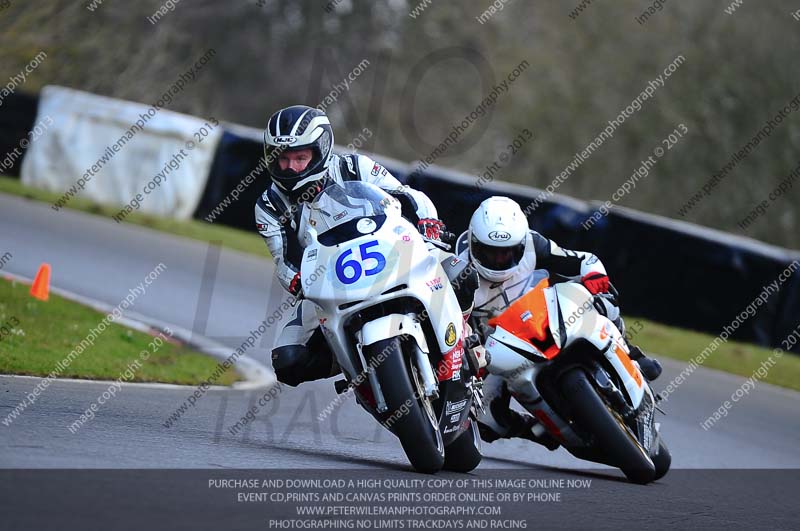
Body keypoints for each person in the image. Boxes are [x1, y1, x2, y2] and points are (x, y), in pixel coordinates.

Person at [255, 105, 480, 387]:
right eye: (282, 159)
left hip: (392, 251)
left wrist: (427, 222)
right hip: (328, 280)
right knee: (288, 361)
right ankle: (359, 366)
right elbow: (284, 259)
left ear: (320, 150)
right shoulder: (268, 205)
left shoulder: (353, 167)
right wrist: (299, 281)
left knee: (461, 274)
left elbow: (406, 195)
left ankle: (462, 335)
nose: (290, 167)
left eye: (300, 157)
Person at [455, 195, 662, 447]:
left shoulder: (533, 244)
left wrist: (596, 280)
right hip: (499, 349)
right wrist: (470, 353)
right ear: (475, 245)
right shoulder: (458, 273)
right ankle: (536, 430)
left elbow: (583, 260)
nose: (499, 260)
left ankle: (632, 354)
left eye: (507, 253)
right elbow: (453, 328)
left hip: (547, 314)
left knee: (603, 300)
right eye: (491, 253)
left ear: (520, 245)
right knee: (487, 421)